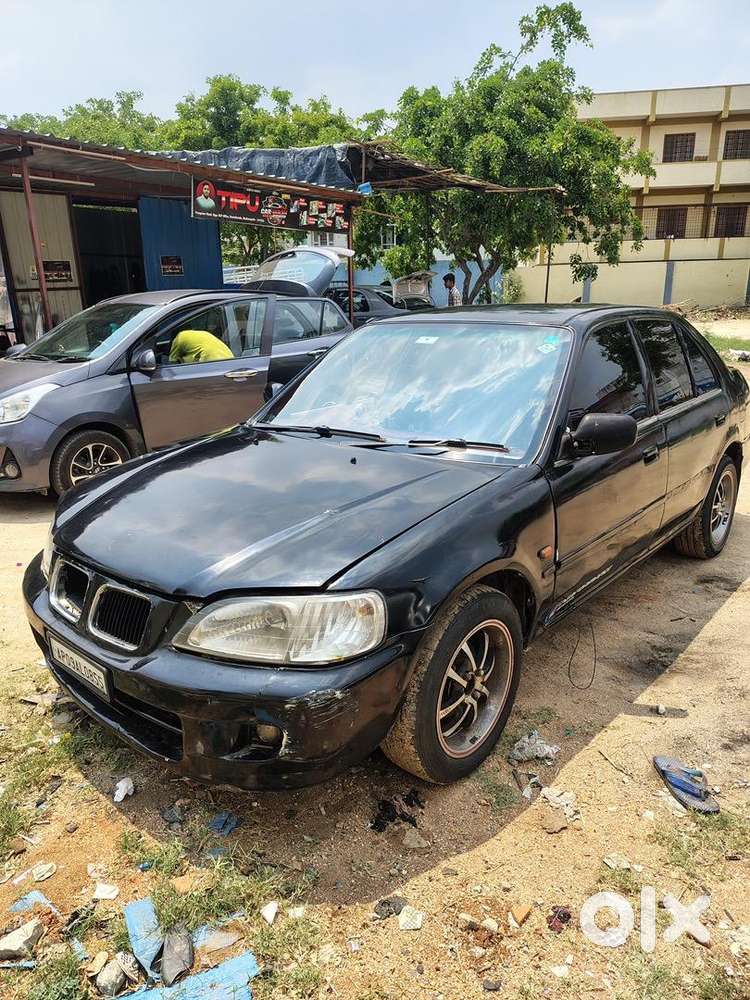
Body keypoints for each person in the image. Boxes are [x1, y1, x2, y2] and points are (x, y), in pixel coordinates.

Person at [169, 329, 234, 365]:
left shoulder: (178, 339)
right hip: (229, 358)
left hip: (213, 359)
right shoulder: (199, 334)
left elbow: (172, 362)